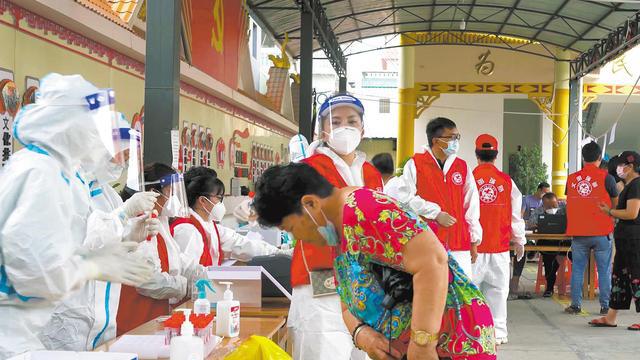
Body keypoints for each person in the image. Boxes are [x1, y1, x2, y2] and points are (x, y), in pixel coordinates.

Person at [253, 163, 496, 360]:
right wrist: (362, 334)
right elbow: (347, 301)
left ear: (310, 204)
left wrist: (422, 344)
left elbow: (433, 261)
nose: (297, 238)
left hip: (451, 342)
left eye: (292, 228)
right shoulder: (337, 234)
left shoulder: (363, 209)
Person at [0, 73, 153, 358]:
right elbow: (35, 271)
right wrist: (91, 265)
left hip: (27, 335)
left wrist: (115, 246)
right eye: (95, 129)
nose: (100, 143)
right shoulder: (39, 172)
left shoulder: (55, 173)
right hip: (14, 338)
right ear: (70, 126)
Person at [40, 117, 162, 351]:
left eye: (127, 158)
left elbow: (110, 251)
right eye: (117, 155)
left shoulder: (109, 195)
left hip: (102, 318)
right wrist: (123, 215)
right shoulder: (62, 187)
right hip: (65, 318)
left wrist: (132, 237)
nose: (121, 164)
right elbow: (86, 243)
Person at [290, 94, 383, 360]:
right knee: (323, 351)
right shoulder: (306, 170)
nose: (345, 127)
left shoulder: (371, 173)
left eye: (352, 121)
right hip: (321, 284)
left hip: (364, 285)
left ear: (363, 129)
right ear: (322, 130)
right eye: (336, 121)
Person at [386, 117, 482, 279]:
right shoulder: (415, 164)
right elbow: (404, 199)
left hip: (459, 243)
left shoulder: (462, 166)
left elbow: (471, 205)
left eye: (457, 137)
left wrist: (474, 239)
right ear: (436, 140)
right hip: (427, 243)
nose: (456, 141)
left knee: (463, 296)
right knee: (431, 294)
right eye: (452, 137)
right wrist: (435, 213)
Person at [117, 163, 196, 335]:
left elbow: (178, 260)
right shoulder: (139, 224)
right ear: (154, 192)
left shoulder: (161, 222)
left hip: (155, 317)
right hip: (136, 320)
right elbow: (147, 280)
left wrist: (202, 275)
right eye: (170, 192)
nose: (174, 199)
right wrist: (185, 286)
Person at [171, 166, 284, 268]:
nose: (221, 203)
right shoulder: (186, 229)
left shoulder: (209, 224)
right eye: (219, 197)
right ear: (202, 200)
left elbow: (242, 245)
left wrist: (281, 253)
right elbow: (188, 272)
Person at [472, 134, 526, 345]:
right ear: (496, 155)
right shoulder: (507, 182)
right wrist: (520, 240)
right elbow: (516, 216)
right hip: (500, 248)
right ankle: (499, 333)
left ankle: (473, 333)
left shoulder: (467, 178)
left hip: (472, 249)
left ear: (477, 155)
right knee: (498, 292)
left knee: (471, 293)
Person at [564, 142, 617, 315]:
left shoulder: (571, 179)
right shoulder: (607, 178)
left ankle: (576, 305)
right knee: (604, 270)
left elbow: (570, 203)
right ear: (600, 158)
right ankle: (605, 306)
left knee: (577, 269)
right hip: (602, 232)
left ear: (582, 158)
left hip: (579, 233)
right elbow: (615, 206)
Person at [589, 151, 640, 330]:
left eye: (621, 165)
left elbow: (632, 213)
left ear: (630, 166)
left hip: (634, 239)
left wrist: (610, 212)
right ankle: (611, 317)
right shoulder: (629, 185)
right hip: (625, 239)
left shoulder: (636, 185)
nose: (618, 169)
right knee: (619, 277)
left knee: (637, 276)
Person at [509, 181, 551, 299]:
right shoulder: (526, 200)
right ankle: (513, 285)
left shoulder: (546, 203)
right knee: (520, 251)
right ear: (538, 190)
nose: (545, 195)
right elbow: (519, 216)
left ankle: (533, 251)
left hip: (537, 232)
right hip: (523, 231)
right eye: (544, 192)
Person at [528, 192, 568, 298]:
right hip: (546, 240)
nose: (551, 208)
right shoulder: (538, 211)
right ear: (543, 205)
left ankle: (554, 274)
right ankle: (549, 288)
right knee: (548, 258)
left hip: (563, 240)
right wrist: (536, 225)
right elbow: (530, 224)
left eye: (554, 206)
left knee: (570, 249)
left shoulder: (564, 207)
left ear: (557, 202)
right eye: (548, 206)